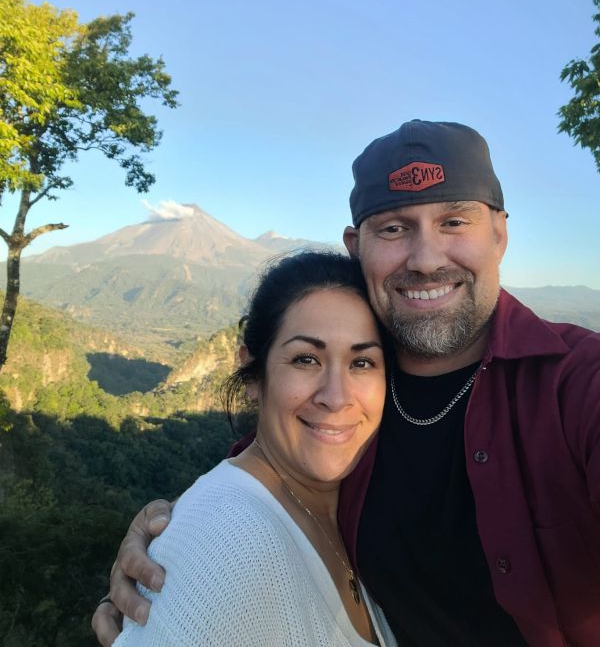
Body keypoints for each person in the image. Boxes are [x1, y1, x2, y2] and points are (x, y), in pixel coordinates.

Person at [93, 120, 600, 647]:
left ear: (499, 233)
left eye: (454, 221)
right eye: (394, 229)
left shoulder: (577, 384)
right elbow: (262, 486)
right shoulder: (351, 409)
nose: (426, 259)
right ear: (357, 247)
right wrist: (174, 542)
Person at [109, 250, 397, 646]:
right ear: (253, 373)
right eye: (306, 359)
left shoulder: (356, 508)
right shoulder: (222, 542)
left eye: (362, 363)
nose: (336, 396)